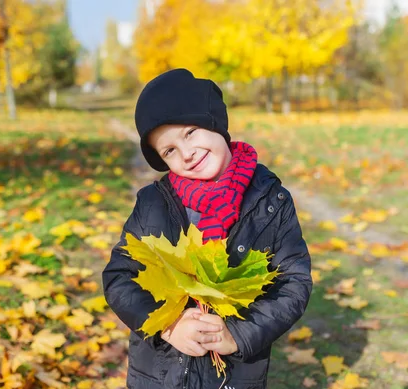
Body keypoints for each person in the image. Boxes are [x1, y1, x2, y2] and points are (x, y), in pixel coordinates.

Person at [102, 68, 312, 389]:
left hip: (234, 375)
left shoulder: (271, 202)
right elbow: (120, 278)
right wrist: (168, 325)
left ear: (215, 121)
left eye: (190, 133)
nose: (186, 154)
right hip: (159, 375)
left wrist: (238, 335)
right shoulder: (154, 204)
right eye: (169, 150)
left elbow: (293, 283)